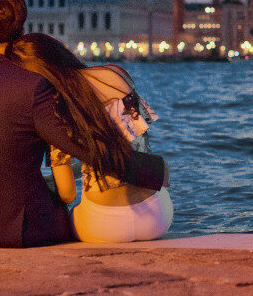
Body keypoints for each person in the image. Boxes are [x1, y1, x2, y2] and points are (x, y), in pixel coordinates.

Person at [0, 0, 167, 248]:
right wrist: (153, 169)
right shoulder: (40, 87)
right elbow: (90, 149)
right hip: (27, 229)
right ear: (19, 33)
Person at [11, 33, 173, 243]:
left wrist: (45, 182)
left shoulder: (54, 109)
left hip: (102, 225)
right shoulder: (115, 75)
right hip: (155, 217)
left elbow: (67, 193)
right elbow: (133, 153)